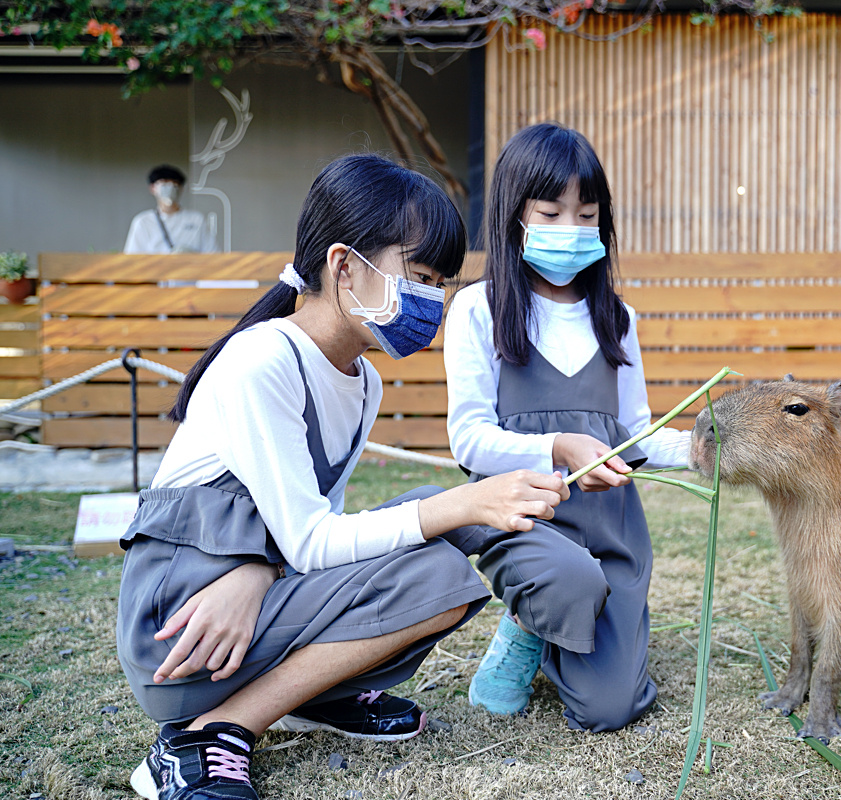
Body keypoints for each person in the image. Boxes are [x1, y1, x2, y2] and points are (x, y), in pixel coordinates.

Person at [115, 154, 569, 800]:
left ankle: (315, 694)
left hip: (248, 600)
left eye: (442, 281)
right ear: (344, 265)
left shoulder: (364, 383)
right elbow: (310, 542)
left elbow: (311, 533)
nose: (434, 300)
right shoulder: (265, 360)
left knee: (429, 522)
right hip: (181, 625)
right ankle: (208, 735)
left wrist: (257, 571)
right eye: (420, 274)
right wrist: (468, 501)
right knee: (438, 572)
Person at [442, 122, 692, 732]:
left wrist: (705, 449)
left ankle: (568, 621)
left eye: (587, 216)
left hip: (610, 534)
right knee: (568, 579)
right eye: (551, 213)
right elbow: (468, 438)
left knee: (610, 709)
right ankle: (533, 618)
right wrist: (557, 445)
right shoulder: (482, 308)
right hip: (526, 522)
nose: (571, 232)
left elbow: (636, 432)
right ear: (514, 216)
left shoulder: (618, 318)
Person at [123, 164, 219, 254]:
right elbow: (133, 257)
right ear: (152, 188)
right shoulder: (143, 221)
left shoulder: (196, 219)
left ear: (181, 188)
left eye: (174, 184)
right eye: (164, 184)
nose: (170, 189)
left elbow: (212, 253)